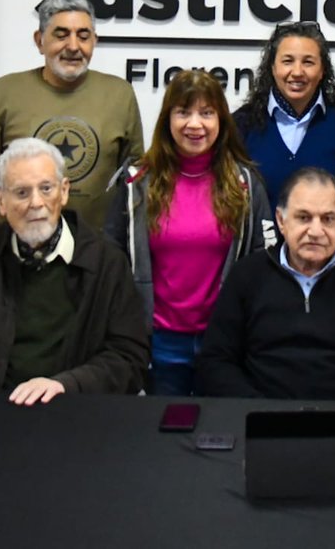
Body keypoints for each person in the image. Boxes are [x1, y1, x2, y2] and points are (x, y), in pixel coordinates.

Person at [0, 138, 148, 405]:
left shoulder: (107, 263)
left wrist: (67, 385)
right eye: (21, 192)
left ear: (64, 191)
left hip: (72, 413)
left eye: (46, 188)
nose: (36, 203)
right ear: (1, 201)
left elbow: (130, 358)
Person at [103, 69, 273, 395]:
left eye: (206, 113)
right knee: (164, 435)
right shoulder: (136, 182)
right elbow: (112, 254)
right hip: (158, 344)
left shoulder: (247, 183)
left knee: (223, 433)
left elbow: (265, 256)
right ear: (168, 119)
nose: (195, 124)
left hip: (225, 343)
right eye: (184, 112)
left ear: (221, 120)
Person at [197, 167, 335, 402]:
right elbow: (215, 360)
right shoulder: (247, 275)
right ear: (281, 221)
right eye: (303, 217)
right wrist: (253, 407)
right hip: (264, 419)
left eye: (328, 219)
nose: (315, 231)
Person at [0, 0, 144, 235]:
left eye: (83, 36)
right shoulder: (5, 93)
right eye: (61, 35)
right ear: (39, 41)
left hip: (96, 254)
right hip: (16, 252)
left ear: (95, 41)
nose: (73, 46)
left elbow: (135, 180)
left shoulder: (119, 95)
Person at [233, 20, 335, 203]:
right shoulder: (242, 124)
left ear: (322, 71)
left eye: (308, 62)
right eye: (287, 61)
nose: (297, 72)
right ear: (273, 68)